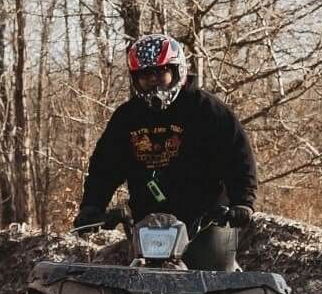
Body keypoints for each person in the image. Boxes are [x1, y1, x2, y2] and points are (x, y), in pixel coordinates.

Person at [74, 34, 257, 260]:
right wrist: (92, 205)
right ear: (135, 79)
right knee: (128, 279)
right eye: (146, 76)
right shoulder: (127, 118)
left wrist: (242, 202)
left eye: (161, 74)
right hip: (147, 225)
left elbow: (238, 156)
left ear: (176, 70)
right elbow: (105, 165)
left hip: (206, 223)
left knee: (215, 274)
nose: (154, 82)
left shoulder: (208, 110)